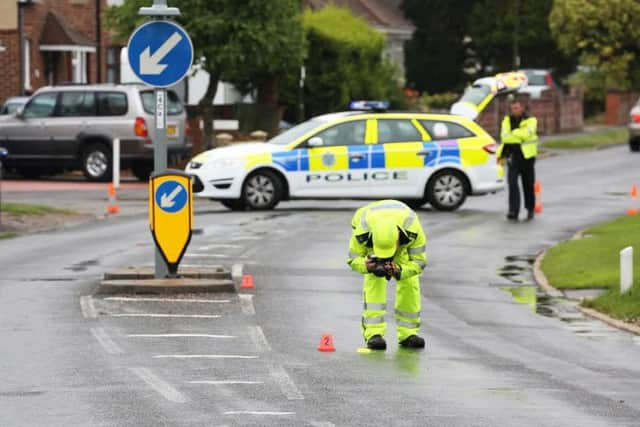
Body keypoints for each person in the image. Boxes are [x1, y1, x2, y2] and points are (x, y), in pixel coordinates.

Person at [347, 200, 427, 350]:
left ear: (398, 237)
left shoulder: (413, 230)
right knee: (374, 280)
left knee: (410, 281)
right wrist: (366, 265)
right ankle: (373, 334)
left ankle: (408, 334)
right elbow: (352, 259)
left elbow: (419, 263)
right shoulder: (362, 232)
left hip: (403, 244)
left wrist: (400, 270)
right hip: (371, 235)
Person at [497, 100, 538, 221]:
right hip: (513, 155)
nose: (514, 111)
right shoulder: (506, 120)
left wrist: (514, 133)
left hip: (527, 156)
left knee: (528, 184)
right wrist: (518, 135)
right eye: (513, 108)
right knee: (512, 183)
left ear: (522, 108)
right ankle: (513, 211)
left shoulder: (531, 120)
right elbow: (504, 137)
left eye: (517, 108)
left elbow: (528, 134)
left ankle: (530, 209)